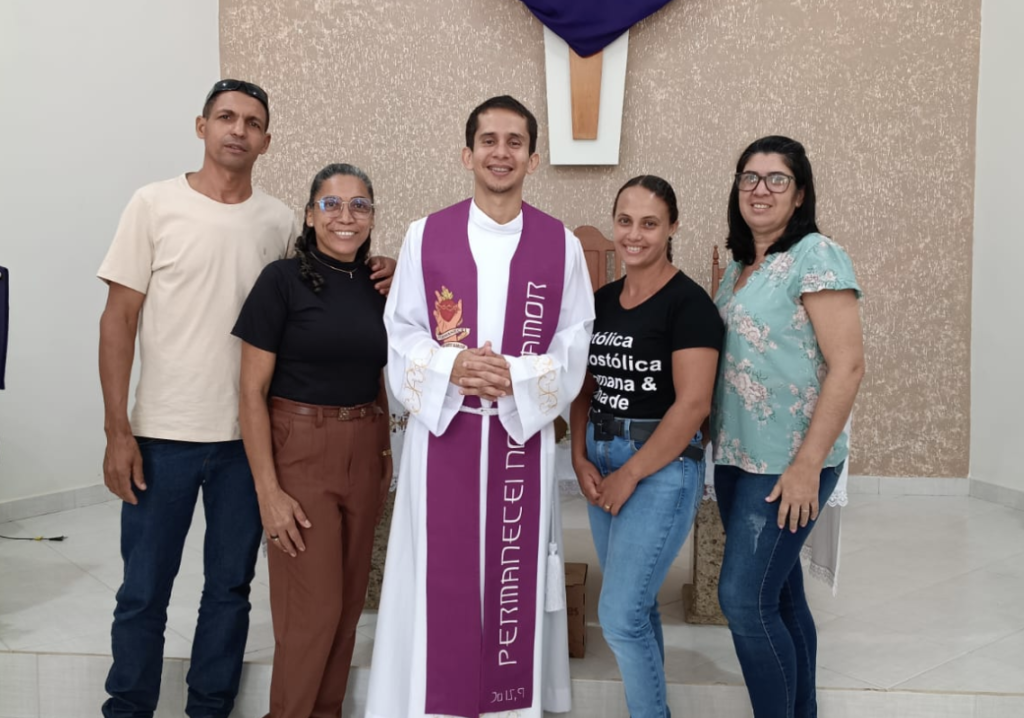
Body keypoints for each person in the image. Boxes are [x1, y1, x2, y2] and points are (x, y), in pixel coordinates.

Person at [97, 81, 394, 718]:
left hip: (248, 443)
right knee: (144, 589)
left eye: (252, 122)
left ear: (267, 140)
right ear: (201, 125)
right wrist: (118, 429)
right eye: (226, 117)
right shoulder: (154, 205)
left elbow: (322, 295)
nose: (238, 129)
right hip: (165, 433)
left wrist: (382, 271)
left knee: (230, 589)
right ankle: (127, 709)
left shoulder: (280, 221)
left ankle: (209, 708)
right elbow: (118, 319)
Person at [365, 96, 595, 718]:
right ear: (467, 154)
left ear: (533, 158)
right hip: (447, 432)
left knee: (511, 582)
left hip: (519, 440)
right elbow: (401, 332)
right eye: (488, 140)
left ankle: (507, 705)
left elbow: (575, 339)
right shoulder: (425, 235)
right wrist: (454, 367)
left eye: (515, 141)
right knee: (437, 578)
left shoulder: (561, 245)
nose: (501, 152)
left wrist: (513, 376)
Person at [711, 136, 864, 718]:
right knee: (779, 595)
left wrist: (806, 466)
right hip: (736, 456)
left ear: (799, 194)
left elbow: (848, 365)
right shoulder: (739, 269)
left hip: (788, 462)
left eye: (777, 179)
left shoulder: (816, 255)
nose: (760, 189)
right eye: (749, 177)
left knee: (744, 601)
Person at [232, 163, 390, 718]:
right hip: (300, 447)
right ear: (309, 214)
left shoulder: (379, 286)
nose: (346, 216)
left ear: (372, 217)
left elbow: (381, 372)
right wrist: (268, 491)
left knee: (347, 610)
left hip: (364, 446)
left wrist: (382, 455)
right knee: (312, 612)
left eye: (359, 205)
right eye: (331, 204)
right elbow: (250, 392)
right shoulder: (281, 281)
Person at [569, 176, 722, 718]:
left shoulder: (689, 304)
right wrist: (579, 457)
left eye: (650, 223)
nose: (634, 234)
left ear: (672, 226)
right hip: (601, 457)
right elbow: (584, 387)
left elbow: (693, 405)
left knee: (618, 616)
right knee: (636, 608)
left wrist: (630, 473)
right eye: (625, 221)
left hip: (658, 467)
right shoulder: (602, 301)